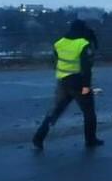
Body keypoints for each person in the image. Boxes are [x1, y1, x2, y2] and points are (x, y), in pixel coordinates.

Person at [33, 19, 103, 149]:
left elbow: (55, 61)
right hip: (78, 82)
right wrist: (87, 87)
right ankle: (90, 140)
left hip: (63, 81)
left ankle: (39, 137)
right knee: (89, 112)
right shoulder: (83, 44)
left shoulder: (59, 43)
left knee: (55, 111)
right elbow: (86, 68)